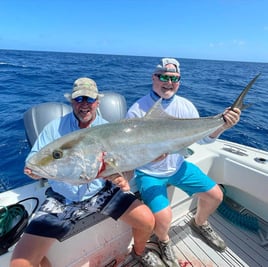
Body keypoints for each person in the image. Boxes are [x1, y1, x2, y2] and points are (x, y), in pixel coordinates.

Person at [10, 77, 165, 267]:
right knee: (20, 263)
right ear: (71, 101)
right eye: (79, 99)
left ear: (97, 102)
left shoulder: (109, 129)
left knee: (147, 221)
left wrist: (124, 177)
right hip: (62, 198)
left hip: (100, 191)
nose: (84, 105)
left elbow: (125, 165)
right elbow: (33, 161)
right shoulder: (54, 128)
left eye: (90, 100)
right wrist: (33, 171)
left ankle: (140, 252)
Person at [126, 58, 241, 267]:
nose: (169, 82)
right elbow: (131, 152)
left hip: (178, 167)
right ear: (154, 77)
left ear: (179, 81)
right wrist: (149, 157)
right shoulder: (137, 110)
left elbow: (204, 138)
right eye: (164, 77)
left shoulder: (186, 106)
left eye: (174, 78)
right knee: (163, 218)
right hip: (150, 173)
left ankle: (200, 223)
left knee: (216, 195)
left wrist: (223, 125)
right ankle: (164, 241)